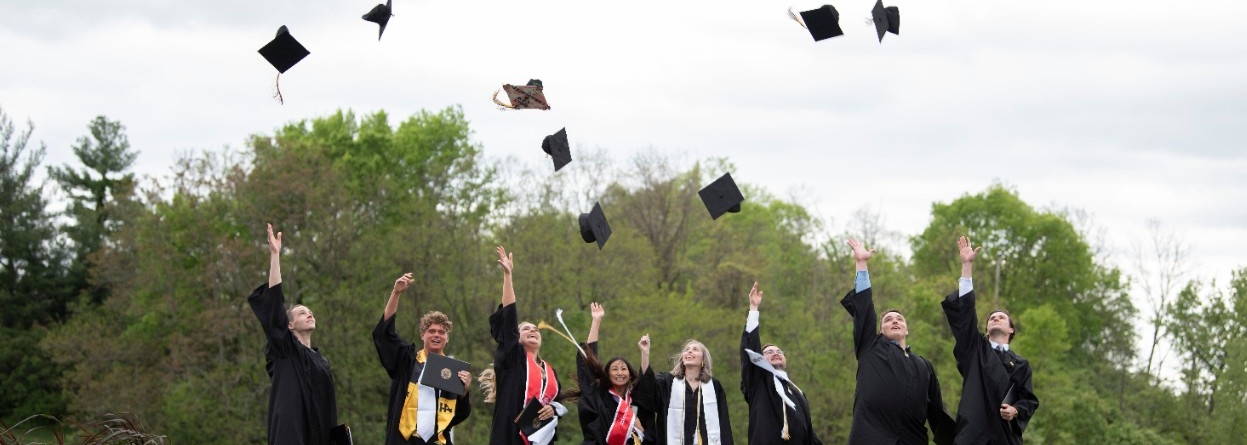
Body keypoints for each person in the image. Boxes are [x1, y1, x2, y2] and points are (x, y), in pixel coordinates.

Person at [840, 239, 954, 445]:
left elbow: (937, 412)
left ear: (906, 329)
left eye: (899, 319)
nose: (894, 320)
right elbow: (864, 308)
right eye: (888, 319)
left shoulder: (924, 366)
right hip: (870, 438)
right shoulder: (870, 347)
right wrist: (861, 265)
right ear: (879, 330)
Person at [247, 223, 340, 445]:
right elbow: (274, 304)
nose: (309, 314)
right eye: (301, 313)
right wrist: (275, 255)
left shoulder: (321, 362)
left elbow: (328, 408)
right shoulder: (284, 349)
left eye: (310, 312)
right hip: (291, 435)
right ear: (289, 325)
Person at [941, 236, 1039, 445]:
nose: (995, 318)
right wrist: (967, 267)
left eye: (1001, 317)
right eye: (991, 318)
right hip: (973, 436)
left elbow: (1028, 400)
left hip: (1005, 437)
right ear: (986, 330)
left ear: (1011, 329)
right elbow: (966, 316)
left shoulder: (1021, 364)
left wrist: (1015, 410)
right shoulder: (975, 350)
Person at [373, 272, 473, 445]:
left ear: (447, 338)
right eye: (431, 331)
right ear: (422, 335)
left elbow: (457, 417)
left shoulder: (451, 371)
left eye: (441, 332)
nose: (436, 335)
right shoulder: (407, 360)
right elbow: (385, 334)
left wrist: (464, 392)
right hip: (405, 439)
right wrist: (396, 294)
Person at [482, 246, 568, 445]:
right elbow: (510, 317)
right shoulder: (513, 358)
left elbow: (558, 405)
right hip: (510, 437)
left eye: (535, 329)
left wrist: (553, 409)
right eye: (525, 329)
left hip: (540, 439)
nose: (533, 330)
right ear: (515, 338)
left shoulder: (550, 371)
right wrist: (508, 275)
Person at [740, 282, 821, 445]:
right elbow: (749, 351)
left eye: (779, 351)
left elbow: (809, 432)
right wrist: (753, 309)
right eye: (768, 352)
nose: (775, 353)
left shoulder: (797, 392)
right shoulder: (758, 384)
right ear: (760, 359)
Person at [575, 302, 655, 445]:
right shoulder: (599, 396)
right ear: (608, 374)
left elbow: (646, 384)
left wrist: (645, 353)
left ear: (630, 374)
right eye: (615, 369)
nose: (619, 373)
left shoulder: (635, 400)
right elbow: (588, 364)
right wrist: (596, 321)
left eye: (624, 369)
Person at [632, 335, 734, 445]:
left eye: (695, 349)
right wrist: (645, 353)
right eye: (686, 350)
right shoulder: (667, 382)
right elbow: (647, 387)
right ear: (682, 359)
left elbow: (723, 423)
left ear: (703, 359)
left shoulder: (713, 386)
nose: (689, 352)